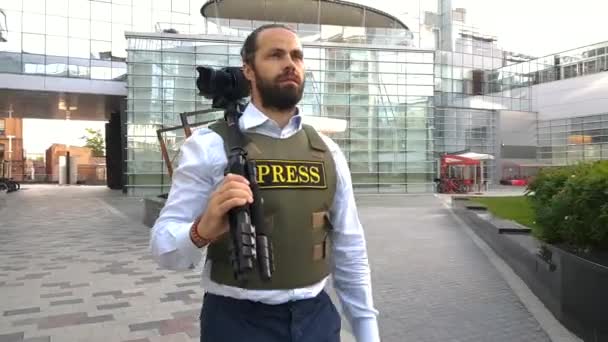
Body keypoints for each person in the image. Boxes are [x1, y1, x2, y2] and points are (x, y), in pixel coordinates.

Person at [150, 23, 380, 342]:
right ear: (248, 69)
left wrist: (367, 332)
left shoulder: (329, 151)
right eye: (275, 54)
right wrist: (201, 230)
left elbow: (350, 248)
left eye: (297, 56)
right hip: (236, 323)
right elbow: (163, 247)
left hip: (317, 320)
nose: (290, 64)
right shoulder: (208, 144)